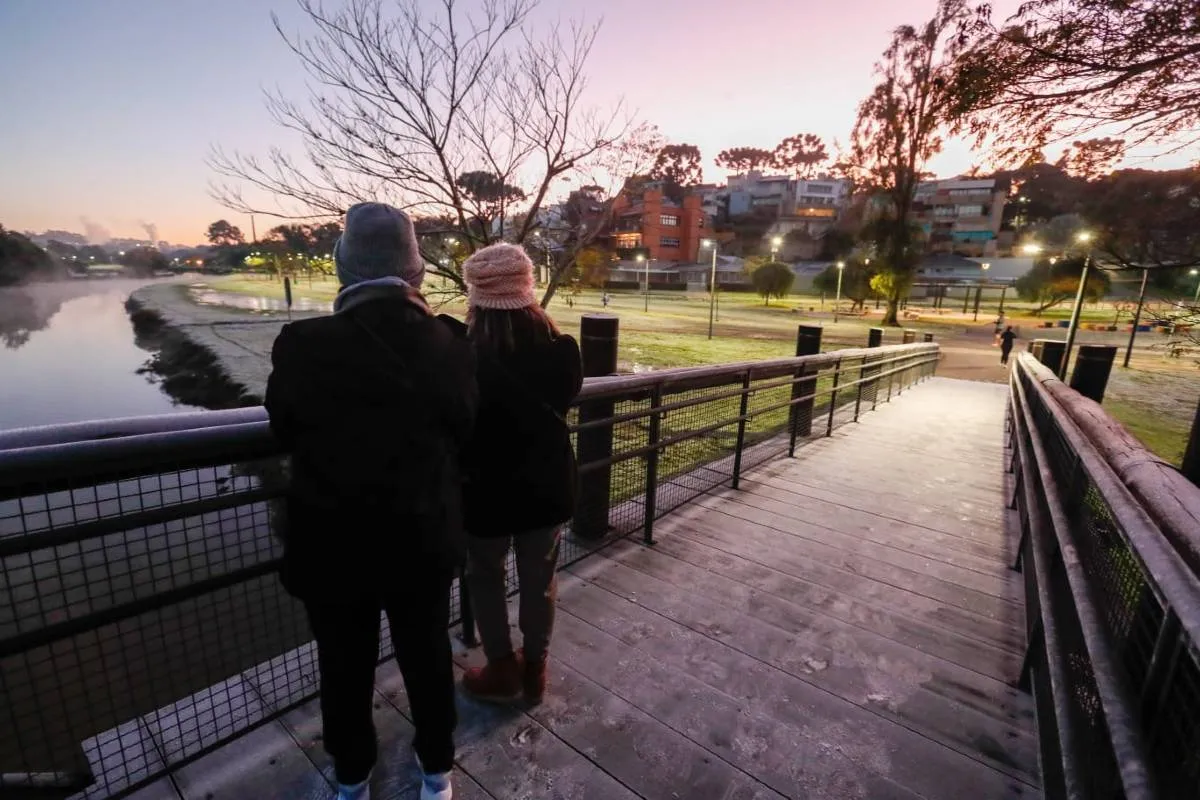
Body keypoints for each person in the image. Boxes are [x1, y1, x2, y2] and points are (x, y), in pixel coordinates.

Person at [265, 202, 476, 800]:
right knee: (428, 655)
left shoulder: (303, 344)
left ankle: (353, 777)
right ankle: (436, 773)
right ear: (415, 273)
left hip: (333, 543)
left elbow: (285, 427)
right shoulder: (451, 343)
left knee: (344, 664)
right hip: (423, 538)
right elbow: (463, 426)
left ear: (344, 268)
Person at [455, 243, 582, 706]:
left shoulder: (462, 357)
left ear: (476, 298)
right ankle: (536, 670)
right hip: (545, 488)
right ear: (528, 291)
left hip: (484, 492)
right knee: (540, 577)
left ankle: (501, 667)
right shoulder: (563, 351)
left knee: (485, 575)